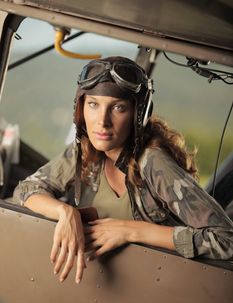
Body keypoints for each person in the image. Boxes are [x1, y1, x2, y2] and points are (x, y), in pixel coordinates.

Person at [13, 56, 233, 284]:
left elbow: (227, 239)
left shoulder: (154, 162)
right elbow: (27, 189)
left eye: (118, 107)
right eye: (93, 104)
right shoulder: (85, 150)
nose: (102, 121)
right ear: (80, 108)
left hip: (159, 286)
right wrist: (66, 214)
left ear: (139, 115)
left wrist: (132, 231)